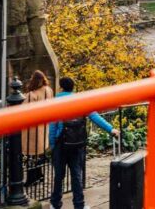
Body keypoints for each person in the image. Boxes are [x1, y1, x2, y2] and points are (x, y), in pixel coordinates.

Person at [48, 76, 119, 209]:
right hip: (77, 144)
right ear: (72, 88)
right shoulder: (80, 101)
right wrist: (111, 129)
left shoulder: (56, 101)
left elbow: (52, 126)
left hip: (60, 144)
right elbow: (95, 117)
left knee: (59, 176)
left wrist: (52, 144)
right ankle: (79, 205)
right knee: (76, 175)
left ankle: (55, 203)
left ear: (61, 87)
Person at [22, 70, 54, 186]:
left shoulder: (32, 95)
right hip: (44, 125)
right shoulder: (48, 90)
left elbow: (24, 111)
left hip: (32, 128)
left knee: (31, 154)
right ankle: (40, 175)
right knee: (39, 153)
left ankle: (32, 178)